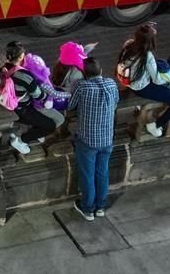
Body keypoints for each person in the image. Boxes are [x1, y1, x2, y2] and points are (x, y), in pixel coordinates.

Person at [68, 57, 119, 222]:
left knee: (87, 175)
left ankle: (88, 208)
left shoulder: (82, 87)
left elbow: (70, 105)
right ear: (101, 71)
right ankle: (101, 206)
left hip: (88, 140)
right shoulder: (111, 84)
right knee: (102, 173)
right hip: (107, 138)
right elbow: (116, 102)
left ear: (84, 73)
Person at [117, 24, 170, 138]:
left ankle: (143, 110)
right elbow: (157, 80)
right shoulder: (146, 55)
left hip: (130, 83)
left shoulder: (128, 45)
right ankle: (156, 125)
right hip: (142, 89)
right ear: (150, 41)